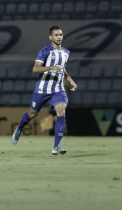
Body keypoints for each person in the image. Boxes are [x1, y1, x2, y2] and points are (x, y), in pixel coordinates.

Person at [11, 26, 77, 155]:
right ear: (50, 37)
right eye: (56, 35)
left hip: (58, 89)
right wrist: (51, 67)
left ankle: (56, 146)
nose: (59, 37)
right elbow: (35, 69)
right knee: (32, 114)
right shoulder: (45, 51)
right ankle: (20, 128)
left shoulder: (66, 52)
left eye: (61, 34)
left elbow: (63, 68)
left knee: (61, 111)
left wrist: (70, 80)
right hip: (42, 89)